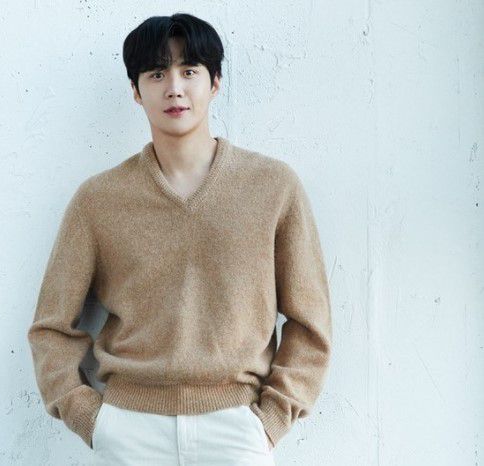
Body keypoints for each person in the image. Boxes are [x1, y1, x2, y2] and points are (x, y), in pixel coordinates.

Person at [27, 12, 332, 466]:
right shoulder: (98, 199)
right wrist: (90, 418)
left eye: (189, 71)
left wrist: (272, 418)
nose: (174, 88)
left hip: (237, 429)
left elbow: (311, 323)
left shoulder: (273, 187)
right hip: (129, 431)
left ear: (215, 83)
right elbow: (50, 327)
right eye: (156, 74)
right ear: (136, 91)